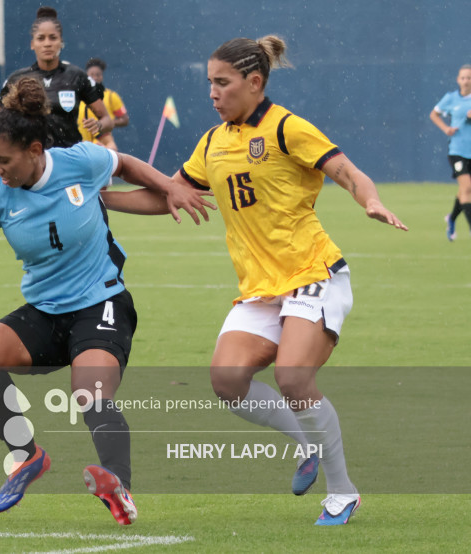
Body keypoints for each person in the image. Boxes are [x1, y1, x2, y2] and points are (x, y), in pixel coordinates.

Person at [109, 35, 407, 526]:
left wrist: (370, 200)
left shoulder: (287, 127)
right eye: (209, 82)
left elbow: (349, 173)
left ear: (254, 82)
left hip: (314, 273)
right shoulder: (213, 141)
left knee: (292, 377)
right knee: (228, 381)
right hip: (261, 288)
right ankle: (306, 442)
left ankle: (342, 492)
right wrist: (102, 198)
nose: (212, 92)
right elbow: (171, 195)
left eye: (221, 82)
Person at [0, 77, 213, 525]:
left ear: (35, 151)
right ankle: (28, 456)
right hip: (44, 312)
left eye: (4, 160)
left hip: (102, 302)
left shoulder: (78, 161)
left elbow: (127, 164)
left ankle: (119, 488)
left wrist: (170, 187)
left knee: (90, 391)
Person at [0, 6, 112, 166]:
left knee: (75, 193)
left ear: (61, 43)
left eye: (53, 38)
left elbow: (107, 119)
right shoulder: (18, 79)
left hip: (70, 161)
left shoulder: (76, 76)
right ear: (32, 44)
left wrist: (99, 125)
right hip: (32, 164)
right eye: (41, 38)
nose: (47, 44)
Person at [429, 64, 471, 241]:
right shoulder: (451, 98)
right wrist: (446, 129)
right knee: (468, 188)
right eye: (463, 77)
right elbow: (434, 114)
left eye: (469, 78)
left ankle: (452, 218)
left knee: (464, 191)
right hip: (457, 151)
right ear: (458, 79)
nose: (466, 81)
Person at [77, 57, 130, 151]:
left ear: (102, 76)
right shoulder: (79, 95)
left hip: (101, 138)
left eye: (98, 74)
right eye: (92, 74)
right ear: (86, 75)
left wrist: (106, 122)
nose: (95, 77)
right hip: (80, 139)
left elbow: (125, 119)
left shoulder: (111, 96)